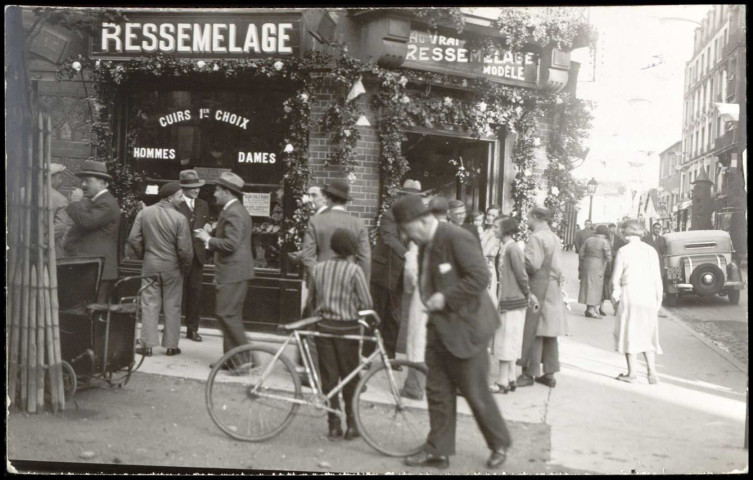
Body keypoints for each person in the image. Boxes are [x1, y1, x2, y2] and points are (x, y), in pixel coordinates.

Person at [393, 195, 511, 470]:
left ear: (422, 221)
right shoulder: (425, 242)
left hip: (467, 329)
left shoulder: (455, 237)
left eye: (408, 230)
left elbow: (480, 276)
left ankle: (499, 443)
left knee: (475, 392)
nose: (408, 236)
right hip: (439, 328)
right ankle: (438, 449)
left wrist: (445, 298)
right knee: (437, 391)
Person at [308, 228, 373, 441]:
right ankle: (352, 425)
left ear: (333, 247)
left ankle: (333, 425)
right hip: (348, 331)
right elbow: (366, 303)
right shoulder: (355, 271)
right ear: (351, 249)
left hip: (324, 328)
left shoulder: (319, 269)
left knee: (329, 377)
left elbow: (311, 301)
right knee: (350, 377)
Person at [128, 182, 193, 356]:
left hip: (150, 264)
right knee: (173, 305)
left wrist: (145, 254)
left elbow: (133, 238)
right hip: (173, 267)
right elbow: (185, 249)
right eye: (179, 196)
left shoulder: (145, 212)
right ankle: (171, 346)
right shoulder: (180, 219)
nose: (182, 199)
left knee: (149, 303)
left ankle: (147, 345)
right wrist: (185, 268)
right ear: (170, 198)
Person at [195, 172, 254, 361]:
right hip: (235, 271)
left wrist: (208, 239)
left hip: (233, 272)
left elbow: (231, 244)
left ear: (227, 192)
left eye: (217, 190)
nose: (214, 194)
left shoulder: (234, 212)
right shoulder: (235, 210)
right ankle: (233, 361)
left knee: (226, 314)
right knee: (230, 315)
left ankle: (248, 359)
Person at [370, 179, 421, 359]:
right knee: (376, 314)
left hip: (399, 275)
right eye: (409, 197)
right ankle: (365, 356)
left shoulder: (415, 219)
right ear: (402, 197)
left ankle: (389, 357)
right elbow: (389, 238)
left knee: (394, 315)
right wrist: (407, 254)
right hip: (383, 273)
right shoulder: (389, 215)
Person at [517, 206, 565, 389]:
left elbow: (532, 264)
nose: (527, 221)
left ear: (536, 218)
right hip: (553, 286)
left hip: (539, 286)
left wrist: (519, 255)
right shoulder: (553, 236)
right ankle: (549, 373)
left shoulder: (536, 237)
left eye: (528, 217)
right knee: (549, 332)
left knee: (533, 330)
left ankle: (529, 373)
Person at [612, 220, 663, 385]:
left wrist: (615, 298)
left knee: (630, 331)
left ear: (626, 232)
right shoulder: (651, 250)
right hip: (648, 294)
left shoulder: (623, 251)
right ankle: (652, 373)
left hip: (631, 293)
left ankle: (632, 373)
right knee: (647, 332)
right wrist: (658, 299)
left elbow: (615, 279)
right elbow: (657, 277)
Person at [64, 160, 122, 303]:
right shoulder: (96, 202)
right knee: (86, 311)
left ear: (103, 182)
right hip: (91, 268)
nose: (82, 185)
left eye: (87, 181)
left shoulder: (106, 203)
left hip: (98, 270)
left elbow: (87, 222)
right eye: (82, 180)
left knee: (92, 312)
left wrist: (75, 203)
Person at [490, 217, 529, 394]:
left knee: (506, 339)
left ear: (506, 230)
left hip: (512, 300)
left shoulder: (513, 248)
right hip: (508, 298)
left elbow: (522, 275)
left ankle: (502, 381)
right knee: (510, 338)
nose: (493, 229)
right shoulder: (505, 247)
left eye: (496, 226)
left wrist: (527, 294)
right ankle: (511, 377)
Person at [175, 169, 211, 342]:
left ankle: (192, 329)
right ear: (183, 188)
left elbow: (207, 223)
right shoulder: (176, 204)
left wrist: (209, 227)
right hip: (179, 256)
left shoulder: (203, 204)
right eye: (192, 188)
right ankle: (172, 329)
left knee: (195, 293)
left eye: (198, 187)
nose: (196, 190)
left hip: (197, 257)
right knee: (175, 294)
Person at [578, 225, 612, 318]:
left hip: (587, 264)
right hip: (598, 265)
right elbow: (608, 256)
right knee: (595, 287)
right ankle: (591, 310)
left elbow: (581, 253)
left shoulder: (588, 240)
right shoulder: (604, 242)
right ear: (604, 234)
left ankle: (588, 308)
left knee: (587, 286)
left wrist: (585, 262)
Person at [49, 163, 73, 259]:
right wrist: (42, 242)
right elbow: (60, 227)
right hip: (49, 250)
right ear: (51, 179)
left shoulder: (22, 193)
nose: (61, 181)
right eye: (59, 178)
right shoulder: (60, 199)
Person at [480, 205, 502, 302]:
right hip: (479, 263)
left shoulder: (495, 233)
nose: (489, 217)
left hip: (487, 265)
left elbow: (483, 252)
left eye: (493, 216)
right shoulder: (485, 231)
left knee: (487, 297)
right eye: (488, 215)